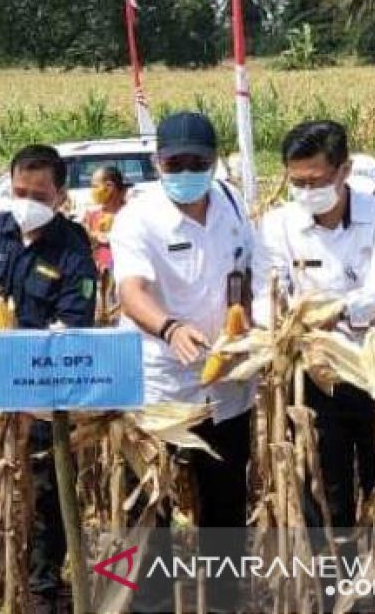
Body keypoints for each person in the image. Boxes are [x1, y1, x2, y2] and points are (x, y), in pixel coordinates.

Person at [0, 144, 97, 610]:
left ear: (61, 196)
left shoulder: (71, 246)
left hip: (37, 385)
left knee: (44, 491)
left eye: (39, 194)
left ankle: (42, 587)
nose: (27, 200)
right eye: (20, 190)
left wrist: (20, 364)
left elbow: (74, 320)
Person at [110, 112, 256, 613]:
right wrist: (170, 327)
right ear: (158, 162)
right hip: (161, 389)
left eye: (197, 161)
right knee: (151, 508)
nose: (186, 170)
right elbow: (131, 290)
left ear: (215, 161)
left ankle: (221, 601)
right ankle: (147, 604)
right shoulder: (138, 217)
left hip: (228, 389)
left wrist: (252, 327)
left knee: (225, 508)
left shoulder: (233, 204)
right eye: (176, 162)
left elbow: (247, 272)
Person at [253, 121, 375, 537]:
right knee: (325, 493)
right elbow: (263, 297)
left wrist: (335, 311)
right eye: (296, 181)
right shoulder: (278, 225)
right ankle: (332, 591)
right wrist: (282, 326)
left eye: (315, 180)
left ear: (344, 170)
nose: (305, 191)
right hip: (313, 377)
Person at [82, 165, 128, 276]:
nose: (92, 191)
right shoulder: (91, 216)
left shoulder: (131, 215)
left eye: (95, 186)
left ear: (109, 186)